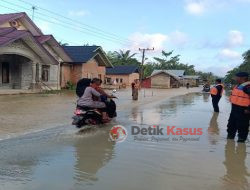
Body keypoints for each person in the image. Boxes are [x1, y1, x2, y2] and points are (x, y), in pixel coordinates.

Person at [227, 72, 250, 143]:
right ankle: (230, 141)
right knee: (231, 125)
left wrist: (249, 109)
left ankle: (241, 142)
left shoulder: (248, 86)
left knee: (242, 126)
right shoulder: (237, 86)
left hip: (243, 110)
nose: (235, 79)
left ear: (242, 78)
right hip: (234, 109)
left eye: (236, 77)